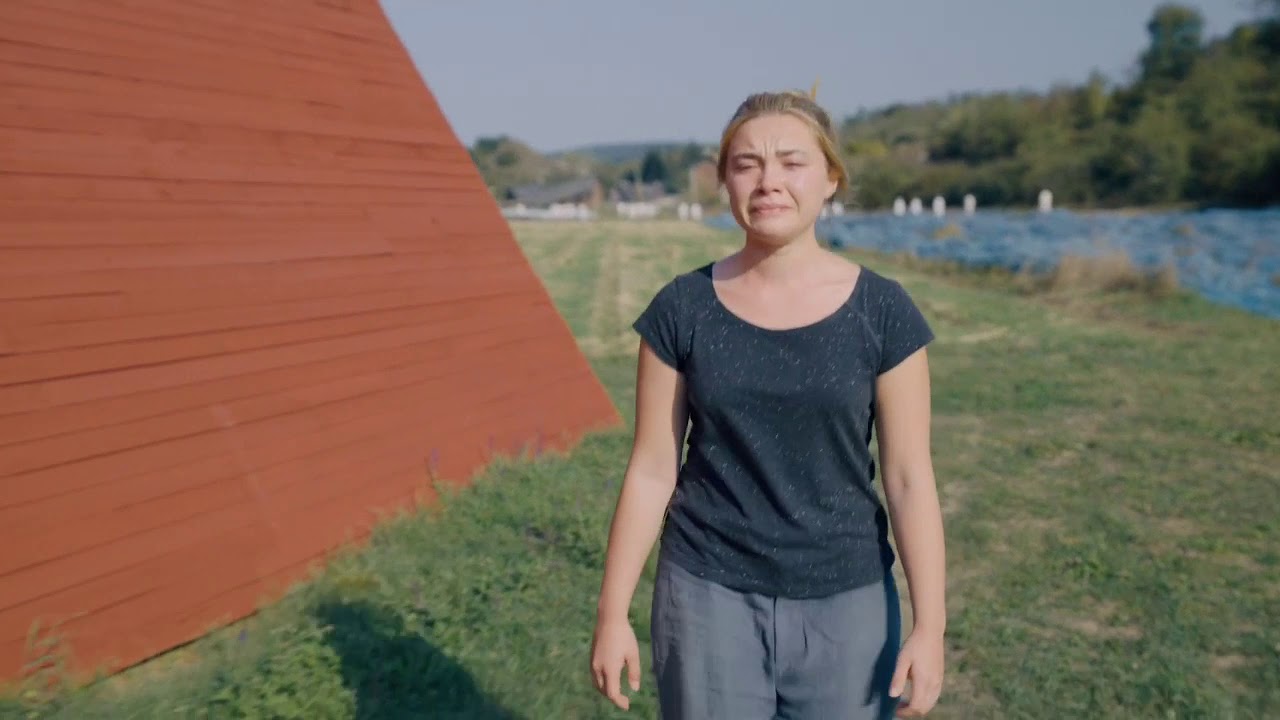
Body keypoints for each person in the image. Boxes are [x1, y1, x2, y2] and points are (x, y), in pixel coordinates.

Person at [589, 89, 947, 719]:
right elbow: (651, 469)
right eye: (747, 163)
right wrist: (612, 613)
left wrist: (931, 626)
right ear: (725, 179)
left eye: (792, 161)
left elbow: (910, 478)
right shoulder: (682, 309)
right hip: (706, 595)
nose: (768, 181)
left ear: (831, 177)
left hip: (848, 599)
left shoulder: (884, 313)